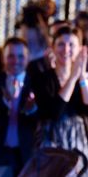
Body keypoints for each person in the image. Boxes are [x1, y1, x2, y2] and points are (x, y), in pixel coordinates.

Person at [27, 26, 88, 175]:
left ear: (80, 49)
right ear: (53, 48)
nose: (66, 49)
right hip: (50, 149)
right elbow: (54, 112)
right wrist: (73, 77)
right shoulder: (42, 78)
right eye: (61, 44)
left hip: (79, 147)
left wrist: (81, 78)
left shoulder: (84, 80)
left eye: (71, 44)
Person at [0, 37, 38, 175]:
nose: (16, 61)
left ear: (28, 58)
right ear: (4, 57)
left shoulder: (37, 83)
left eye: (21, 56)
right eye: (11, 56)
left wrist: (32, 109)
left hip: (26, 152)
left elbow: (45, 117)